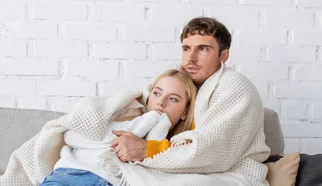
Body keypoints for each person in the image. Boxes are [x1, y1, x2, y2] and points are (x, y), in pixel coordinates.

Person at [109, 16, 272, 185]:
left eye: (202, 49)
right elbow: (146, 102)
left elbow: (214, 151)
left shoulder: (235, 85)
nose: (191, 58)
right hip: (180, 169)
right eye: (186, 49)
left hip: (231, 174)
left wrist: (147, 149)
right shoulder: (183, 84)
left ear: (223, 56)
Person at [40, 69, 197, 186]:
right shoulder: (125, 114)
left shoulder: (174, 147)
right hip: (69, 173)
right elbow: (72, 135)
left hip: (108, 181)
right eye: (157, 94)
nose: (161, 102)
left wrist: (160, 124)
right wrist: (148, 120)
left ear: (185, 111)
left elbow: (150, 167)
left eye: (173, 99)